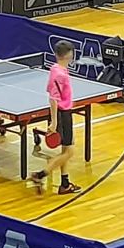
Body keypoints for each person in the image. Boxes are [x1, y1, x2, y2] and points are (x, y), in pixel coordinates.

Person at [31, 40, 81, 195]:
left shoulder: (56, 69)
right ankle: (40, 175)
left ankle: (65, 184)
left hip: (64, 112)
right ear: (69, 55)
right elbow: (53, 98)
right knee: (69, 152)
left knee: (65, 149)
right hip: (62, 114)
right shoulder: (60, 74)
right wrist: (54, 122)